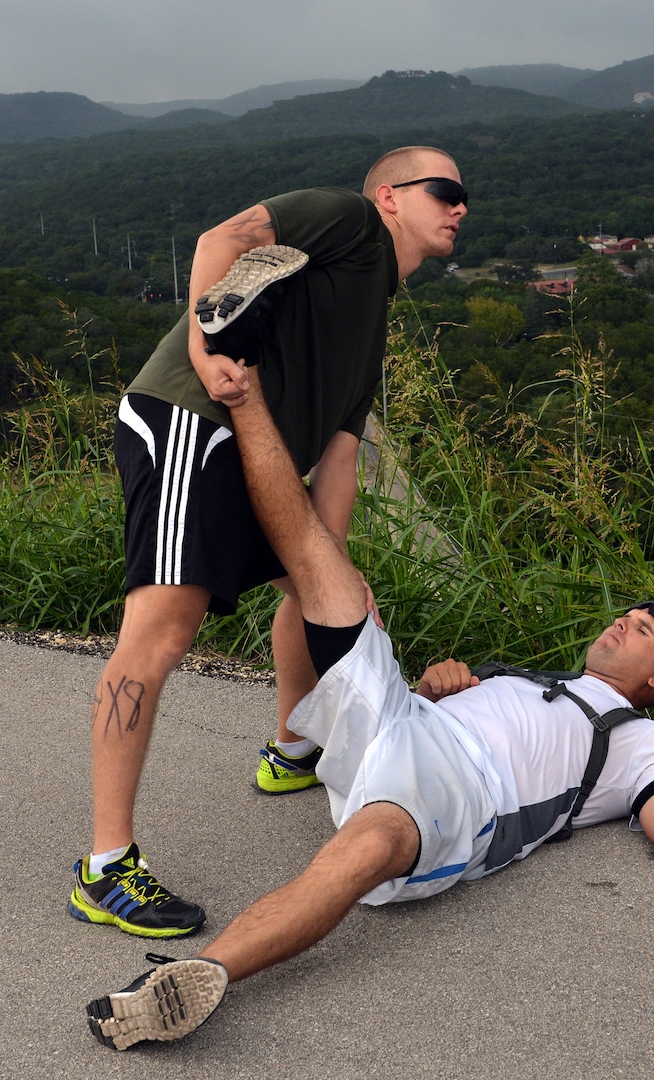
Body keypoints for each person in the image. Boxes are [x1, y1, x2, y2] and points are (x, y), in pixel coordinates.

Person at [83, 387, 654, 1050]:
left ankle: (203, 974)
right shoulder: (532, 676)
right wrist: (436, 686)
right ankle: (246, 402)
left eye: (650, 629)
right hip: (406, 720)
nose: (630, 620)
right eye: (630, 613)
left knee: (363, 852)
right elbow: (439, 697)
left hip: (464, 791)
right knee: (325, 567)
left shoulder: (641, 739)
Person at [69, 147, 470, 939]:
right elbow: (227, 238)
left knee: (314, 587)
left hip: (266, 455)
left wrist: (338, 577)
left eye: (465, 200)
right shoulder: (351, 221)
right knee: (161, 631)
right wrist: (203, 349)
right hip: (196, 421)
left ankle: (291, 747)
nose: (461, 208)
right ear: (390, 195)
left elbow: (343, 458)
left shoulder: (375, 310)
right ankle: (105, 867)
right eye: (446, 191)